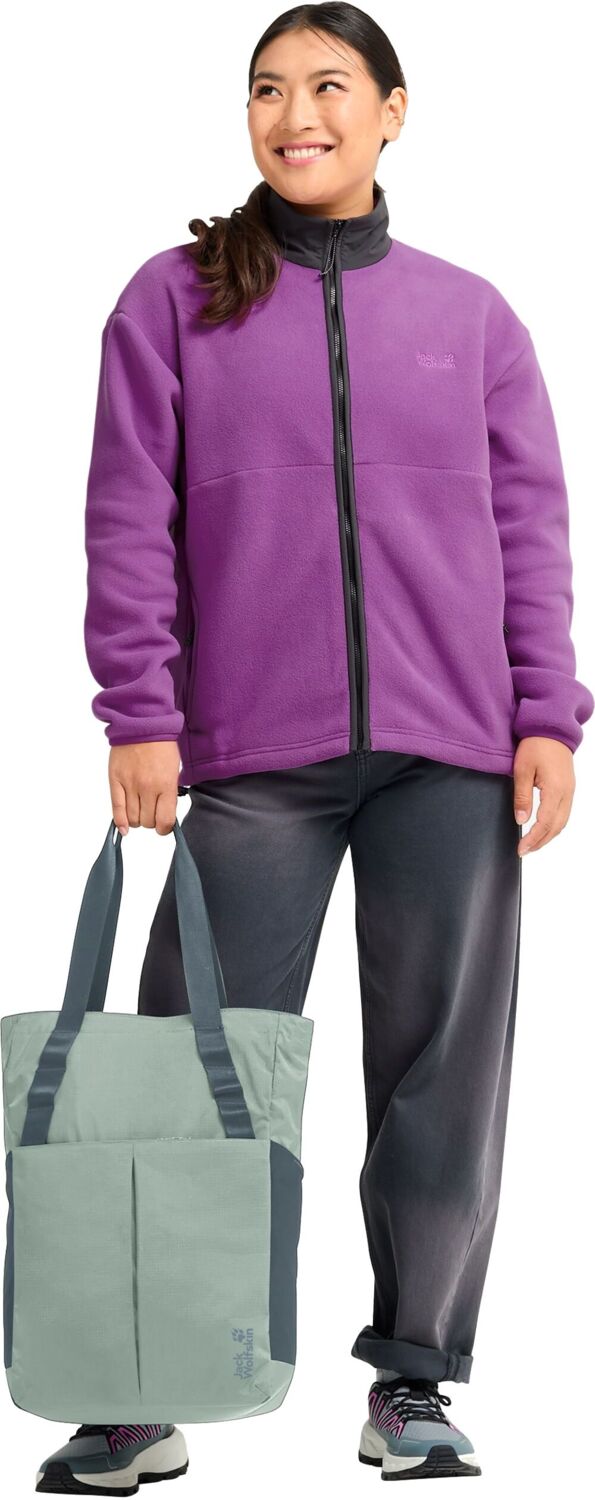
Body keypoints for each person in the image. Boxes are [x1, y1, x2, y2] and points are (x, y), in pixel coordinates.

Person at [35, 3, 594, 1492]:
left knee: (442, 1072)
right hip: (246, 751)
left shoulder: (474, 317)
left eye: (331, 86)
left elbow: (531, 530)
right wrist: (139, 710)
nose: (298, 114)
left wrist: (548, 712)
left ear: (393, 111)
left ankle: (413, 1381)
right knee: (193, 1063)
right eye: (269, 89)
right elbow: (125, 517)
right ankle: (144, 1385)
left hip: (449, 751)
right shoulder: (171, 301)